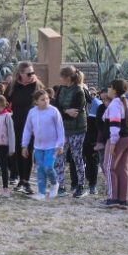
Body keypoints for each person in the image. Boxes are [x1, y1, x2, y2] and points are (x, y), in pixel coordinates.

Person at [6, 62, 44, 194]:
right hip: (16, 123)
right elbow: (5, 100)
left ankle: (26, 181)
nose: (32, 75)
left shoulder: (37, 85)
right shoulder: (13, 86)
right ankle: (20, 179)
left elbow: (45, 101)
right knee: (17, 151)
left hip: (31, 125)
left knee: (27, 151)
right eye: (29, 73)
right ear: (20, 74)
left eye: (33, 72)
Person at [22, 90, 65, 200]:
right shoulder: (32, 112)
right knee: (40, 169)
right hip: (38, 147)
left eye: (47, 98)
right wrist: (24, 145)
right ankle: (41, 192)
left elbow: (60, 129)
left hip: (52, 146)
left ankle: (55, 183)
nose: (45, 101)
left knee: (48, 167)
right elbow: (27, 129)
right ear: (36, 101)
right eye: (42, 99)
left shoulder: (53, 111)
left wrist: (60, 145)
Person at [54, 66, 89, 198]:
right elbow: (56, 107)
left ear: (68, 78)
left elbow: (74, 113)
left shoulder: (79, 91)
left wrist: (64, 112)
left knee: (76, 156)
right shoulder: (61, 89)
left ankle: (80, 185)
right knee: (59, 156)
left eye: (62, 77)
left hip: (77, 129)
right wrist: (64, 111)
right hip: (63, 128)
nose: (60, 79)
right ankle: (60, 186)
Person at [103, 79, 128, 208]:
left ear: (115, 90)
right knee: (122, 168)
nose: (108, 90)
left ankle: (113, 198)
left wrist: (112, 143)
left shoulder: (116, 103)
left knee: (109, 167)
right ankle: (123, 199)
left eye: (109, 87)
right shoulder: (125, 101)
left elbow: (115, 124)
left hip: (119, 139)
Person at [83, 86, 103, 194]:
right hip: (82, 135)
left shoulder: (97, 104)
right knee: (84, 160)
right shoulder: (81, 102)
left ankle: (92, 184)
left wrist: (97, 139)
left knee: (92, 160)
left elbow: (97, 124)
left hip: (92, 137)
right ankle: (82, 183)